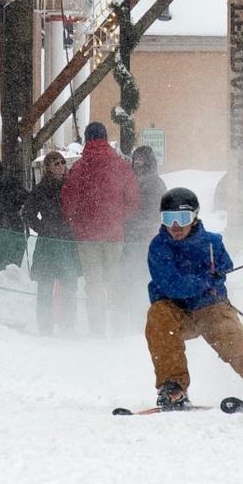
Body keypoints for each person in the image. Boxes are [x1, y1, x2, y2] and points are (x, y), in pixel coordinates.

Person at [145, 187, 243, 410]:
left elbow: (226, 266)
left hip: (210, 307)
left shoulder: (212, 243)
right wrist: (204, 280)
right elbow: (171, 285)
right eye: (168, 219)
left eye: (182, 218)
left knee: (231, 340)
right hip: (175, 310)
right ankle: (172, 387)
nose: (175, 226)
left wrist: (217, 274)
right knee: (158, 319)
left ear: (194, 217)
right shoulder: (159, 247)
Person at [61, 122, 140, 336]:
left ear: (87, 139)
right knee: (114, 281)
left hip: (87, 237)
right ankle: (119, 328)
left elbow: (68, 201)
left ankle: (97, 329)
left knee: (93, 283)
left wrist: (78, 224)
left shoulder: (79, 167)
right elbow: (133, 200)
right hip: (114, 235)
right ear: (105, 138)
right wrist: (117, 218)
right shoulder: (121, 166)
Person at [22, 151, 82, 335]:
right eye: (56, 163)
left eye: (63, 162)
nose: (61, 166)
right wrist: (44, 228)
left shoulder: (71, 186)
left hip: (68, 241)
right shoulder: (41, 189)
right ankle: (45, 326)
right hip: (48, 244)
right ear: (48, 167)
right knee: (45, 285)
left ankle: (68, 325)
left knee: (69, 285)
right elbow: (27, 213)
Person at [123, 145, 166, 329]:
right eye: (135, 159)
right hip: (131, 239)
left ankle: (145, 319)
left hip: (146, 239)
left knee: (143, 279)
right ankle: (134, 319)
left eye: (140, 159)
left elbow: (157, 213)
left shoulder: (155, 183)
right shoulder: (131, 181)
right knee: (132, 279)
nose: (137, 162)